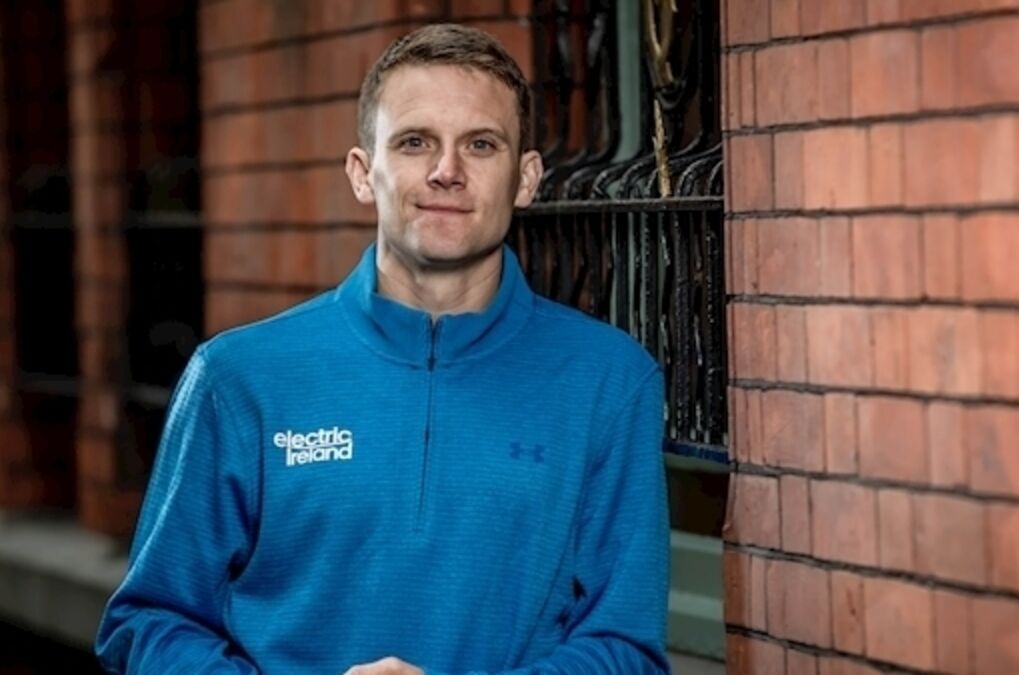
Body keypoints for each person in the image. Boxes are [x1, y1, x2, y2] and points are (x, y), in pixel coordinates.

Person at [94, 23, 670, 675]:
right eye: (414, 141)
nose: (447, 172)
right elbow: (150, 622)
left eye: (481, 144)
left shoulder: (608, 381)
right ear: (363, 173)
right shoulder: (238, 379)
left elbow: (626, 647)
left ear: (526, 178)